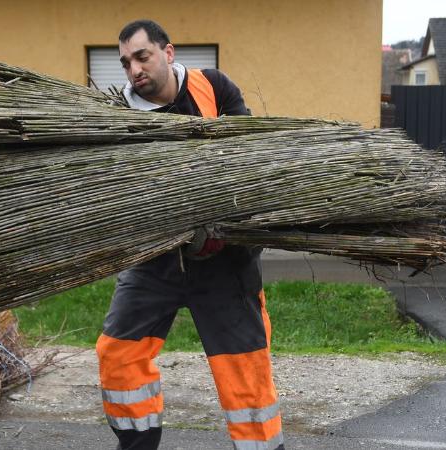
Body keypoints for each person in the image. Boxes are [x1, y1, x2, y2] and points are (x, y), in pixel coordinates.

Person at [95, 20, 284, 450]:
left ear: (168, 52)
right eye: (126, 63)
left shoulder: (213, 88)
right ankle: (137, 444)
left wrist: (220, 227)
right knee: (118, 354)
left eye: (142, 56)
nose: (134, 69)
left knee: (245, 374)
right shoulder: (118, 117)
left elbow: (248, 160)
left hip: (224, 262)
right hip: (155, 261)